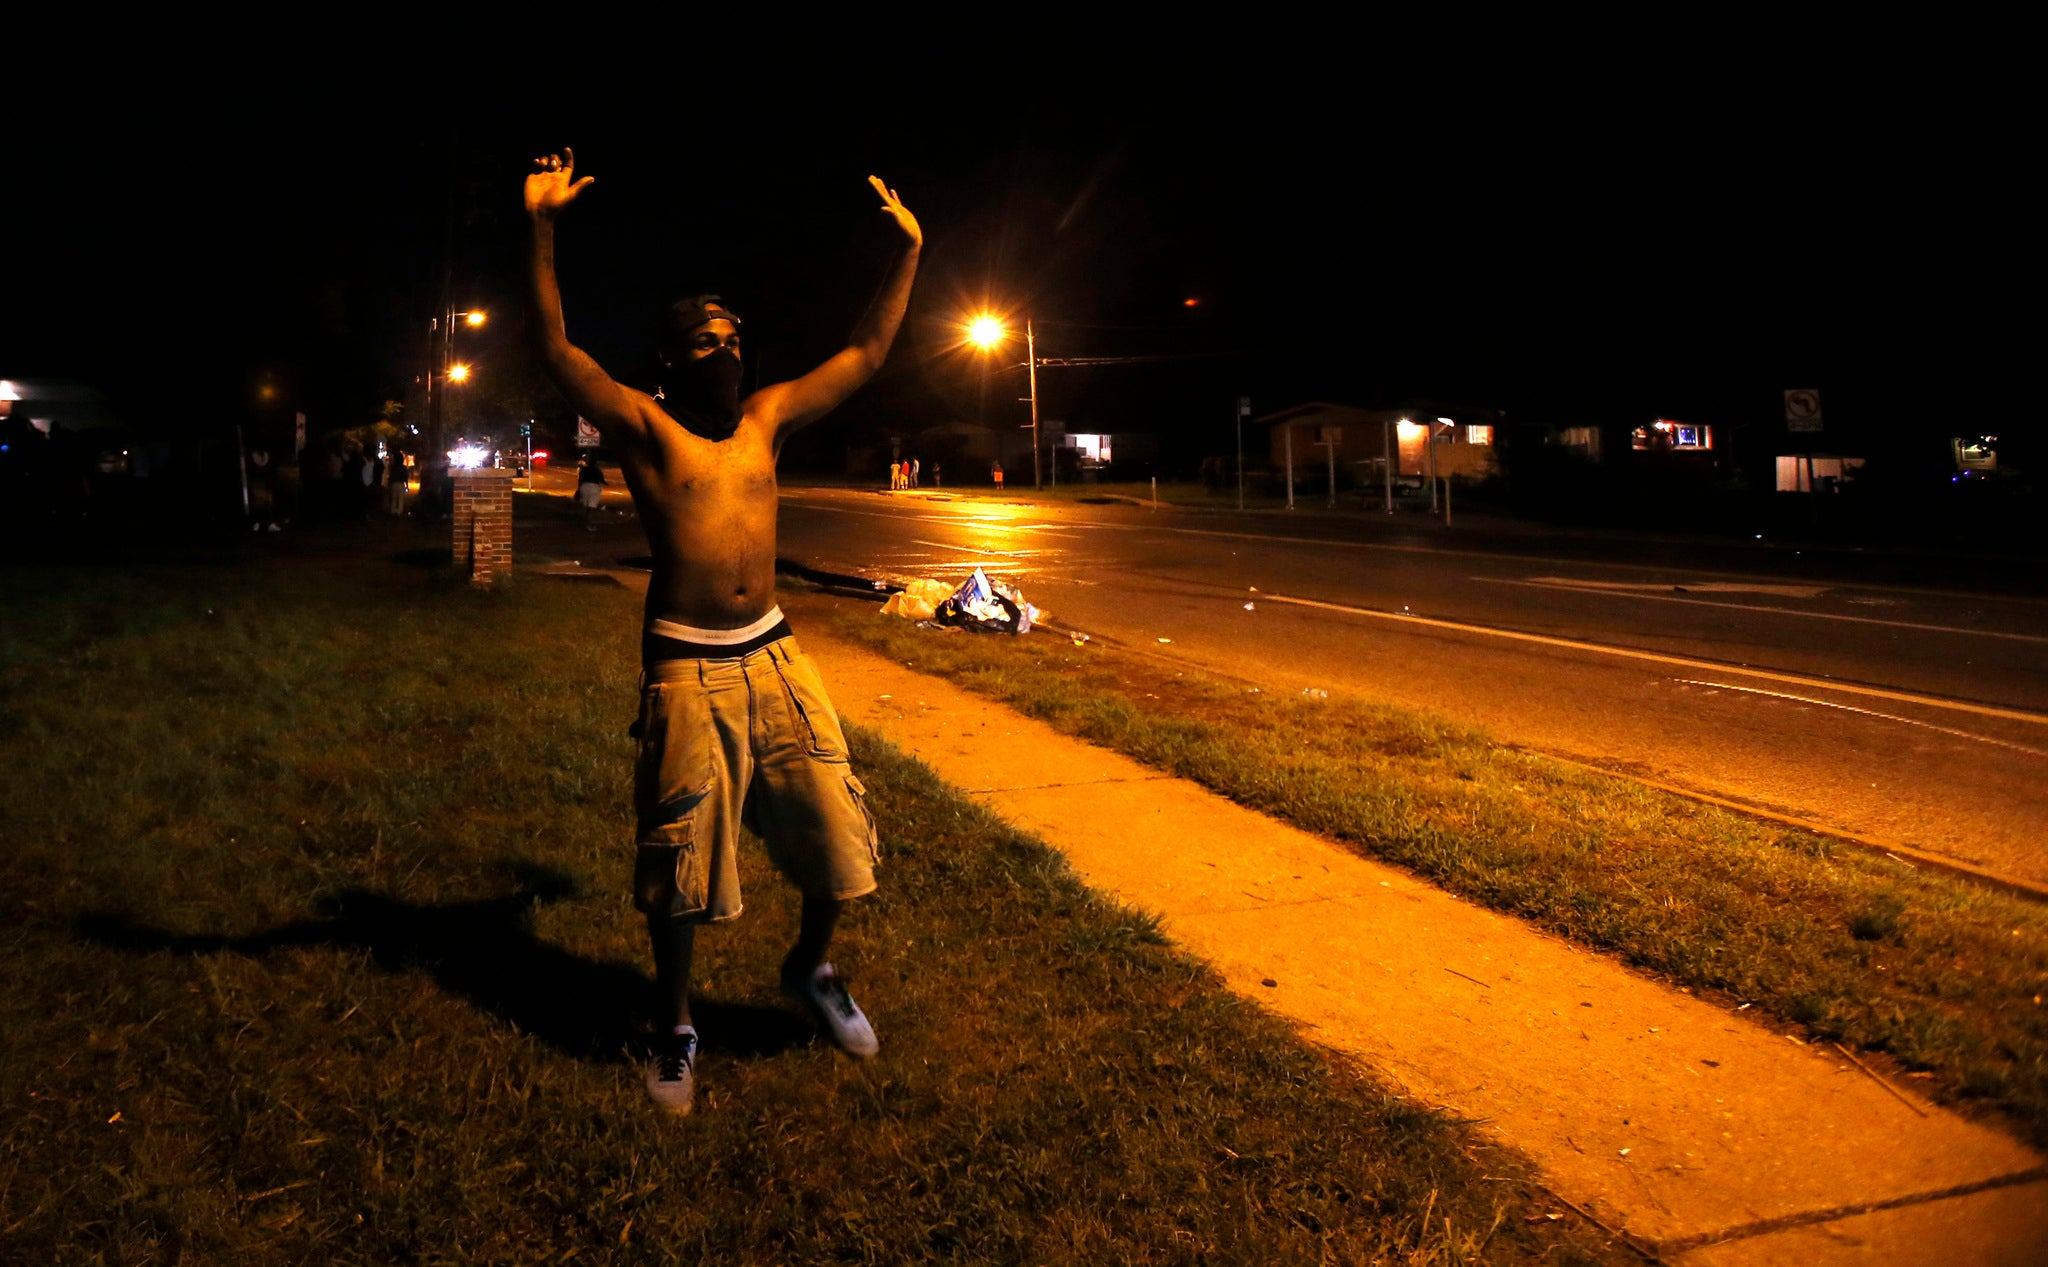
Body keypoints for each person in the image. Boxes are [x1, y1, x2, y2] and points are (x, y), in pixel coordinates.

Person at [526, 147, 920, 1115]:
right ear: (669, 358)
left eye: (732, 334)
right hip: (687, 669)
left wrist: (908, 251)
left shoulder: (765, 419)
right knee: (680, 872)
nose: (723, 349)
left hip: (775, 652)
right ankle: (674, 1025)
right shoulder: (645, 429)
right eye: (702, 340)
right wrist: (539, 230)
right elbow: (558, 355)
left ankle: (811, 968)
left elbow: (865, 356)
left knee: (839, 840)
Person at [576, 454, 607, 527]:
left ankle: (586, 521)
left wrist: (579, 489)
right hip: (594, 488)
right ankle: (589, 524)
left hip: (584, 487)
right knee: (592, 507)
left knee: (586, 506)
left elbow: (580, 480)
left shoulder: (584, 470)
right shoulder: (597, 470)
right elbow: (601, 480)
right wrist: (606, 483)